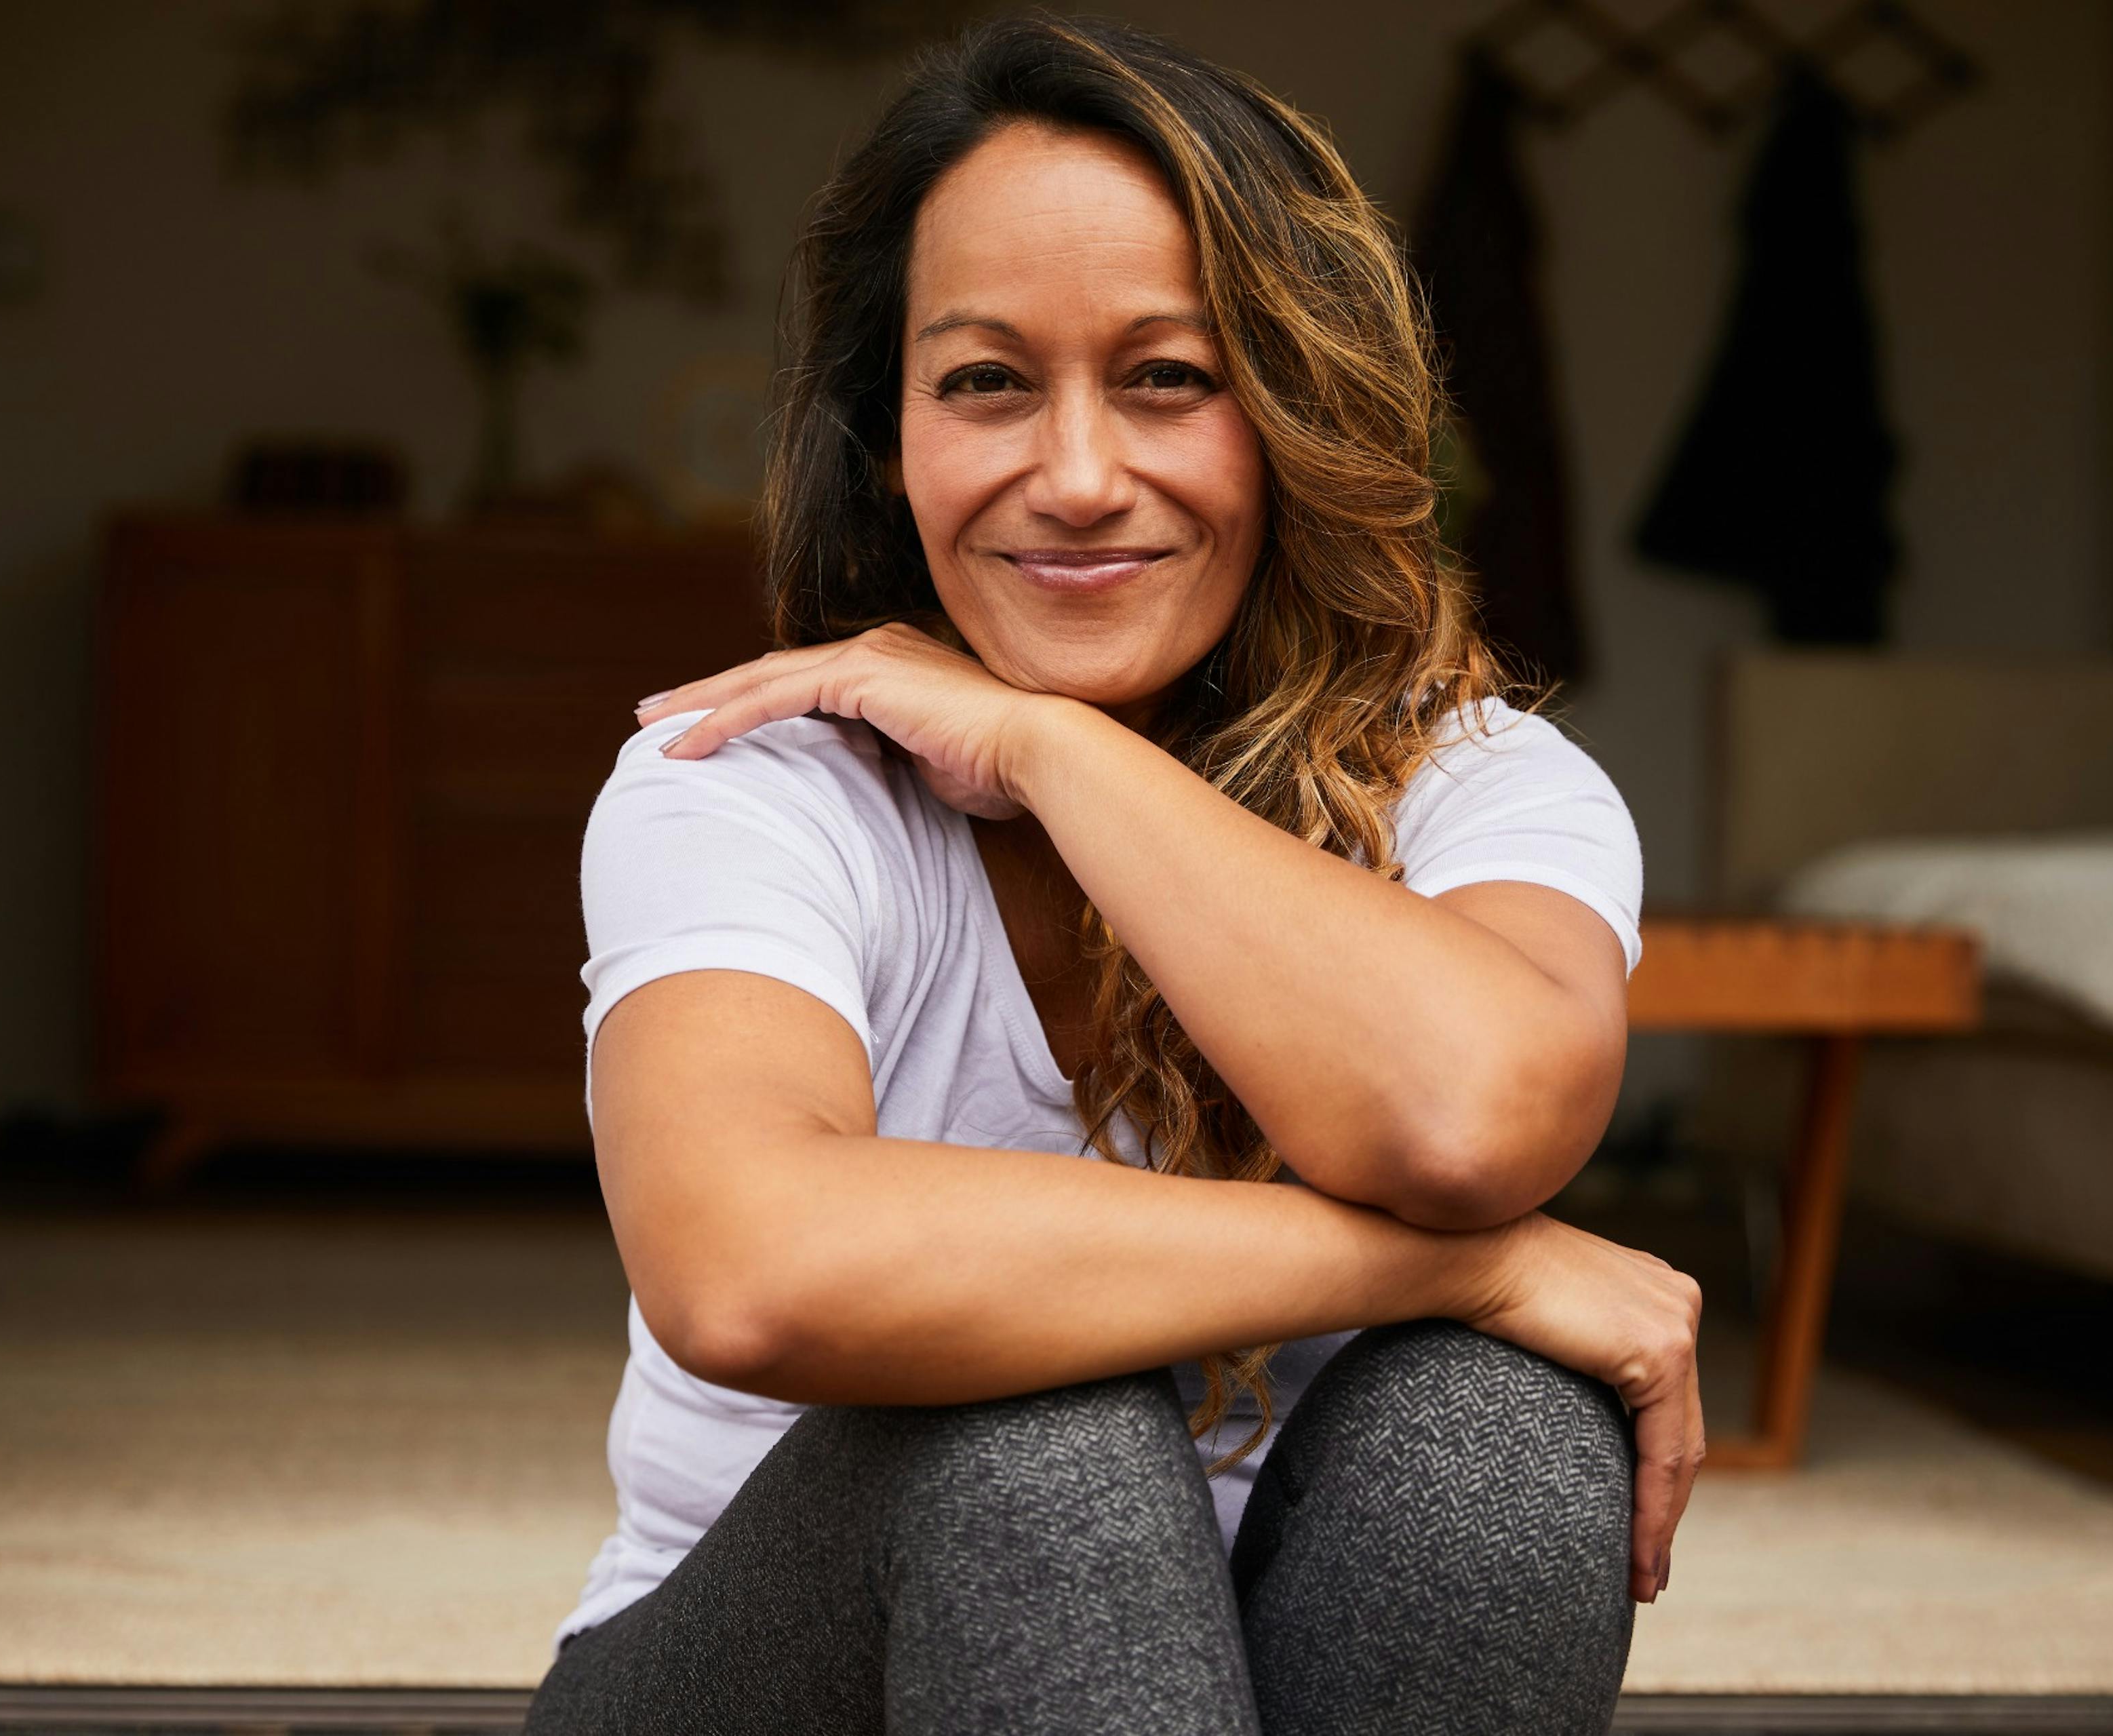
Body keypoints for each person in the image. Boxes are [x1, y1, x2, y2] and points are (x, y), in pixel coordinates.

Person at [524, 18, 1702, 1735]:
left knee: (1503, 1429)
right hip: (763, 1691)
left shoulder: (1480, 785)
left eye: (1168, 375)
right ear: (889, 436)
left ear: (1294, 414)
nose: (1076, 480)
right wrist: (1455, 1263)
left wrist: (1059, 751)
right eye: (988, 381)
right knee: (1033, 1426)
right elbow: (749, 1265)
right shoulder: (749, 782)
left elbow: (1465, 1120)